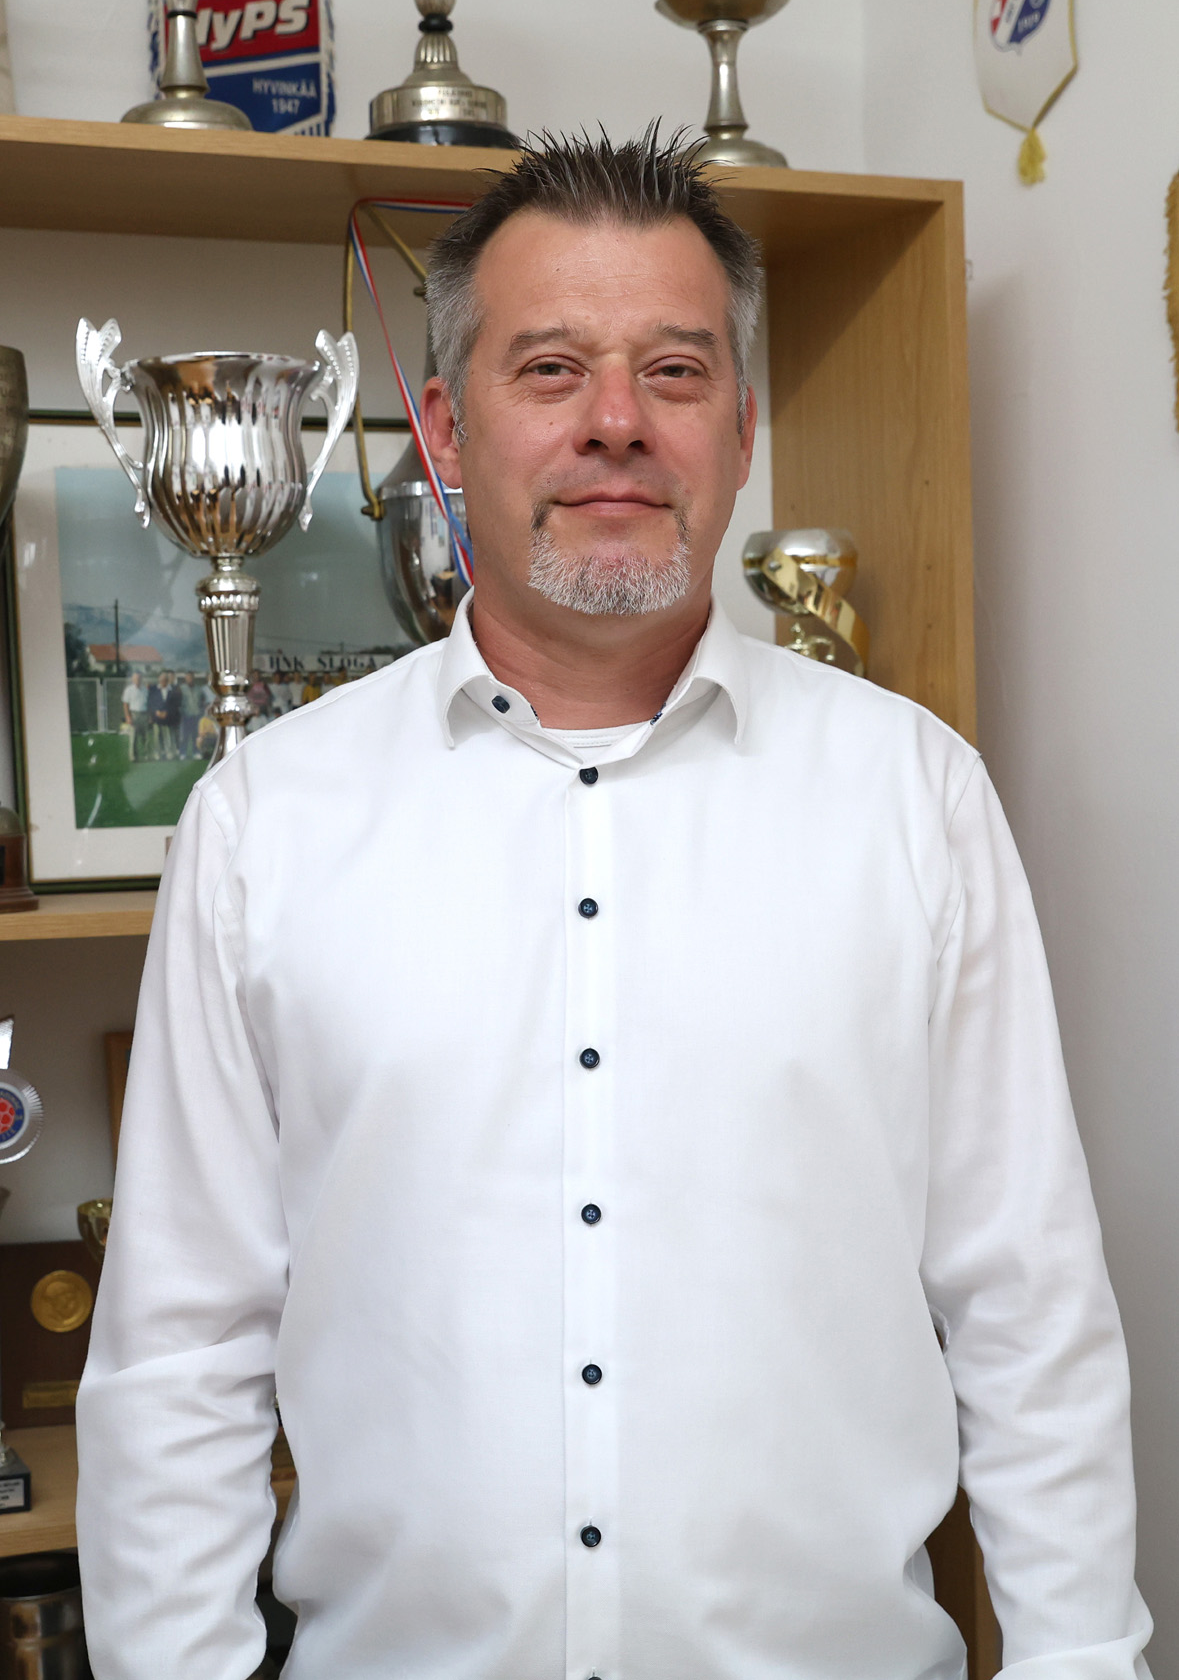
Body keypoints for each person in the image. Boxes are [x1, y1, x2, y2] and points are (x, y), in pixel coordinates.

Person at [76, 132, 1152, 1680]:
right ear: (443, 430)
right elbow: (181, 1354)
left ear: (740, 428)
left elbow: (1027, 1312)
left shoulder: (914, 799)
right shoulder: (263, 825)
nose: (614, 423)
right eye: (549, 369)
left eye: (673, 371)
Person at [119, 670, 150, 762]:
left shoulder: (146, 690)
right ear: (132, 679)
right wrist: (128, 717)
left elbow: (149, 704)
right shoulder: (129, 690)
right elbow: (125, 705)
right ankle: (133, 757)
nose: (138, 680)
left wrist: (150, 716)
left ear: (142, 679)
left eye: (139, 678)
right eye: (136, 678)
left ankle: (146, 755)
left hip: (144, 714)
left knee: (146, 737)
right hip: (134, 715)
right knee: (133, 737)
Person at [177, 671, 203, 760]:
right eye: (188, 678)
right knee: (185, 735)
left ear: (193, 678)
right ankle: (183, 753)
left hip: (196, 715)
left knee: (195, 735)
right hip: (186, 715)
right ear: (185, 679)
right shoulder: (181, 688)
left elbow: (201, 701)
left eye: (191, 678)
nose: (190, 679)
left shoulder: (198, 689)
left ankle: (196, 752)